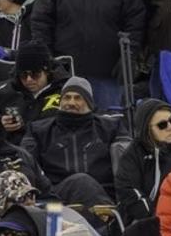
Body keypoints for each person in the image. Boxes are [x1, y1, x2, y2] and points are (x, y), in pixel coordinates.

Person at [20, 77, 124, 206]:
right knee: (81, 181)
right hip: (57, 197)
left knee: (84, 183)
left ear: (89, 103)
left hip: (103, 194)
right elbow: (26, 164)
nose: (71, 103)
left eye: (78, 98)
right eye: (67, 97)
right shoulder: (38, 130)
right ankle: (109, 222)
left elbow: (127, 162)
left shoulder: (110, 127)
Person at [114, 98, 171, 225]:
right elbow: (128, 190)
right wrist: (155, 218)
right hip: (146, 221)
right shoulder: (133, 153)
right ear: (148, 130)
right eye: (162, 125)